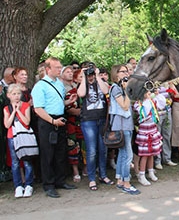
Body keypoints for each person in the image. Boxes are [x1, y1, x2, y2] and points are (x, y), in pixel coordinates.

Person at [31, 57, 78, 198]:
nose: (60, 70)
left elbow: (58, 102)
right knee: (48, 154)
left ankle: (60, 180)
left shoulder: (59, 83)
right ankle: (49, 185)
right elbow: (38, 109)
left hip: (60, 118)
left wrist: (68, 101)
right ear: (47, 69)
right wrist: (52, 121)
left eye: (60, 67)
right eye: (57, 67)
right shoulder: (40, 86)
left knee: (60, 152)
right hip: (48, 121)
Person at [77, 62, 114, 191]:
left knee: (103, 149)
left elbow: (106, 90)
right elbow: (81, 94)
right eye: (89, 72)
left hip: (102, 119)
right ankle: (92, 178)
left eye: (92, 71)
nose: (91, 75)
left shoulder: (101, 81)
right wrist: (83, 75)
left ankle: (103, 175)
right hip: (88, 121)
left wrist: (98, 76)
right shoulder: (82, 84)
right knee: (92, 151)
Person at [109, 64, 140, 195]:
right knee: (128, 155)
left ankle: (119, 180)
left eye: (127, 71)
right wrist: (127, 91)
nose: (126, 73)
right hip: (121, 125)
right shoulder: (116, 88)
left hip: (126, 124)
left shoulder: (120, 88)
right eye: (123, 71)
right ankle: (126, 183)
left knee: (122, 154)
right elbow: (125, 106)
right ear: (116, 74)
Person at [3, 84, 34, 198]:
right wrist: (13, 111)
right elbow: (7, 124)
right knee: (15, 162)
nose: (16, 96)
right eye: (14, 94)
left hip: (24, 136)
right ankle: (18, 185)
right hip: (12, 136)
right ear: (9, 95)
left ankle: (29, 184)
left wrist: (19, 111)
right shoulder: (6, 108)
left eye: (18, 94)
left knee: (27, 161)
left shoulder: (25, 105)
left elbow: (26, 122)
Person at [134, 91, 162, 186]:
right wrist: (147, 99)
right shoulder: (139, 103)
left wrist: (157, 95)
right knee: (145, 154)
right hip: (144, 130)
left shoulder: (152, 101)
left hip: (152, 128)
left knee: (151, 153)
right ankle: (142, 175)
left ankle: (150, 172)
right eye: (147, 91)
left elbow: (161, 105)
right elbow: (144, 112)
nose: (149, 93)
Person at [153, 86, 177, 169]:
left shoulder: (166, 82)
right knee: (157, 137)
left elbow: (170, 94)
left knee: (167, 135)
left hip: (167, 111)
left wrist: (170, 99)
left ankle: (167, 158)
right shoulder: (152, 82)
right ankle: (157, 161)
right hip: (157, 113)